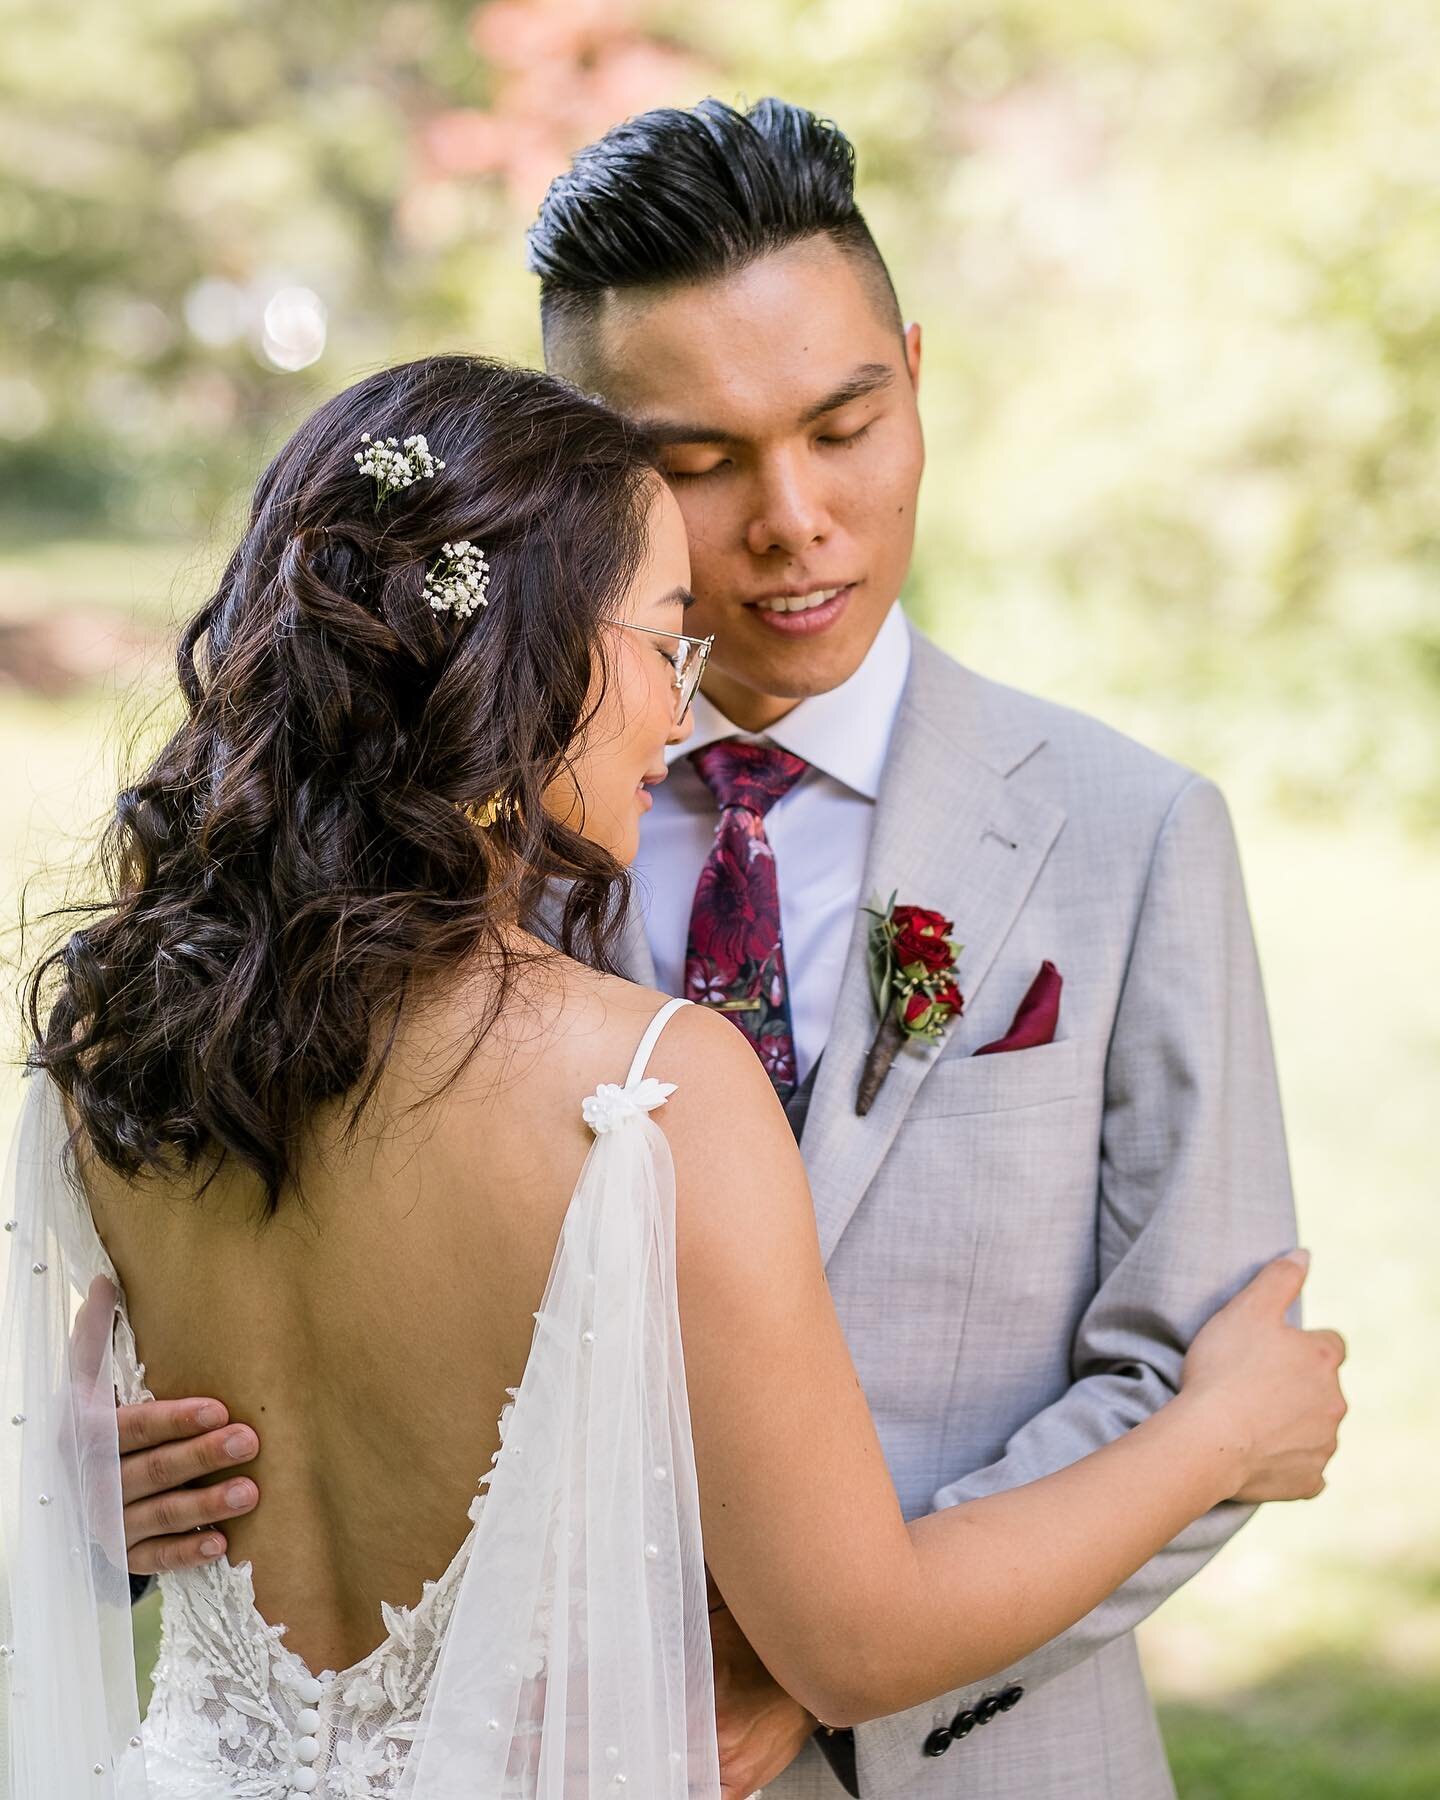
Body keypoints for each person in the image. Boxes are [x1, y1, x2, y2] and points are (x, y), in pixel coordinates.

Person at [107, 103, 1341, 1800]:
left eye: (847, 423)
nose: (792, 521)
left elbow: (1195, 1362)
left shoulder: (1133, 833)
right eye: (694, 463)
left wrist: (824, 1669)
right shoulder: (395, 882)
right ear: (576, 474)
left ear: (913, 374)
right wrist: (89, 1487)